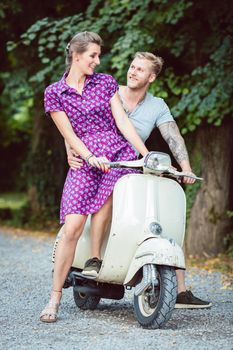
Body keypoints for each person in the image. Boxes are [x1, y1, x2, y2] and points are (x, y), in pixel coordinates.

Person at [66, 52, 212, 309]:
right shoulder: (110, 91)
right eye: (132, 67)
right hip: (101, 162)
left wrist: (186, 167)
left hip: (133, 163)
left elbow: (173, 136)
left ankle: (179, 289)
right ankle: (95, 259)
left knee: (164, 215)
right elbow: (77, 120)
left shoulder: (157, 105)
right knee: (109, 193)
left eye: (140, 70)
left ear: (151, 77)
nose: (132, 72)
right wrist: (71, 150)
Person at [40, 32, 149, 323]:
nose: (97, 61)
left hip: (114, 152)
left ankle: (95, 259)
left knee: (111, 190)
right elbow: (69, 134)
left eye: (98, 55)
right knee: (72, 227)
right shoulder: (55, 93)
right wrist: (88, 157)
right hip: (84, 157)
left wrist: (145, 153)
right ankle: (54, 297)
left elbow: (122, 122)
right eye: (93, 56)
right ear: (76, 56)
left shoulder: (105, 82)